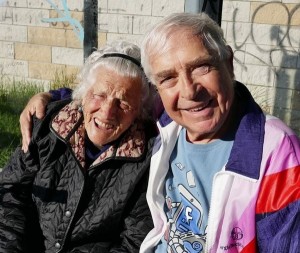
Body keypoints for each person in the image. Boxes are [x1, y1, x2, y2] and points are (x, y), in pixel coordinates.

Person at [19, 13, 300, 253]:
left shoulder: (276, 151)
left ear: (228, 62)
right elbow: (108, 98)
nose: (189, 91)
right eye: (168, 78)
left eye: (202, 67)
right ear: (158, 88)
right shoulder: (168, 116)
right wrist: (51, 97)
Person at [0, 41, 157, 252]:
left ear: (139, 112)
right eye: (99, 95)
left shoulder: (148, 159)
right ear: (83, 94)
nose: (107, 112)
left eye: (123, 103)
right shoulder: (46, 127)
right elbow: (11, 193)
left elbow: (134, 241)